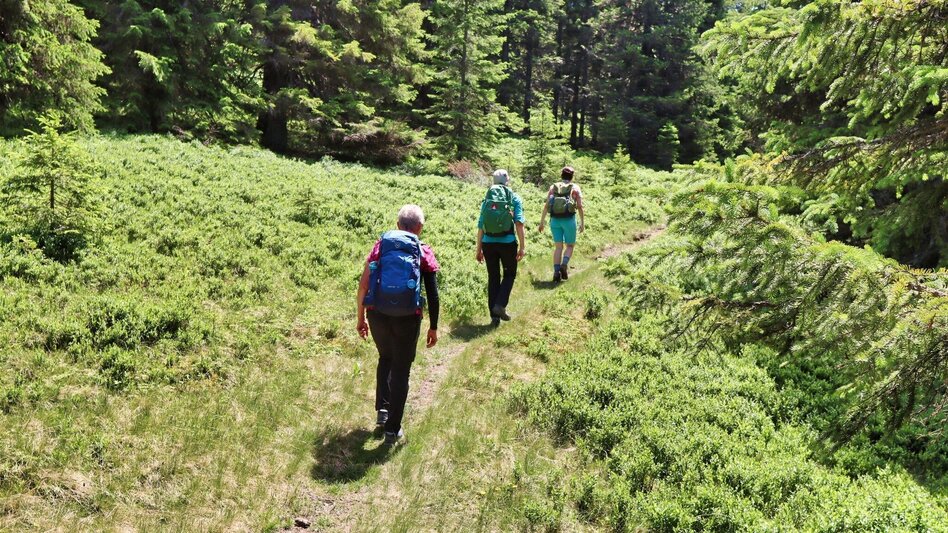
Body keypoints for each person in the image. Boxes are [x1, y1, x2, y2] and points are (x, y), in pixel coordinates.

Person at [356, 204, 440, 446]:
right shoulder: (422, 249)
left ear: (397, 224)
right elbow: (433, 294)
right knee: (401, 369)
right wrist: (433, 326)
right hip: (408, 316)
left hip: (377, 313)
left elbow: (363, 285)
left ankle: (382, 412)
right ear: (420, 228)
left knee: (385, 358)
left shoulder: (380, 245)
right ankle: (393, 430)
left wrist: (360, 317)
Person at [475, 169, 526, 327]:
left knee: (493, 277)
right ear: (507, 181)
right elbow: (519, 223)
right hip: (508, 242)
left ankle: (494, 317)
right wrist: (522, 246)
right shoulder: (514, 198)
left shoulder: (487, 199)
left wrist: (478, 249)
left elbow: (481, 226)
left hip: (488, 243)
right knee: (509, 274)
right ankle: (500, 305)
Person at [537, 166, 585, 282]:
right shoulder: (575, 188)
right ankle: (564, 264)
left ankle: (556, 273)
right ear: (572, 176)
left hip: (555, 220)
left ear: (561, 175)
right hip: (569, 220)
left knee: (558, 247)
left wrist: (541, 222)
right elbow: (579, 206)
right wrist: (582, 223)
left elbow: (546, 205)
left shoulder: (553, 187)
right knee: (570, 246)